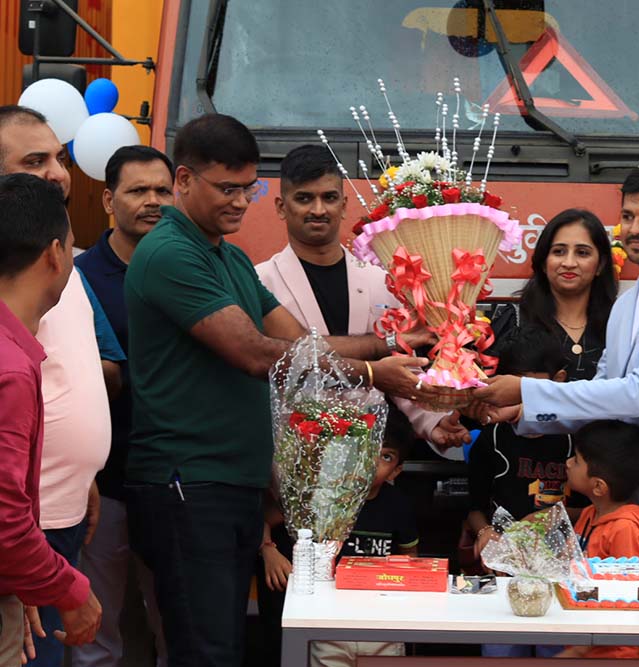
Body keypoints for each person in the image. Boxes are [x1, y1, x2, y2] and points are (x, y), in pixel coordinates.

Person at [124, 113, 440, 667]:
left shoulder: (227, 255)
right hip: (189, 481)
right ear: (183, 181)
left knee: (228, 644)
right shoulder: (171, 252)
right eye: (227, 188)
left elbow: (302, 341)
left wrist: (389, 342)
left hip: (233, 481)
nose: (239, 203)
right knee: (207, 650)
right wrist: (372, 373)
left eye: (248, 189)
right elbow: (255, 353)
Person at [474, 163, 639, 561]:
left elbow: (638, 394)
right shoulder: (627, 303)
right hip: (624, 509)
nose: (636, 228)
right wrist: (519, 413)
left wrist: (525, 389)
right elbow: (602, 397)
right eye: (628, 216)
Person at [255, 144, 469, 449]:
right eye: (304, 198)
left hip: (366, 450)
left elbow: (400, 364)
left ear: (344, 205)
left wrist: (434, 421)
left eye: (329, 198)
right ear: (280, 206)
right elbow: (265, 362)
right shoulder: (261, 281)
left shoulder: (380, 280)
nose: (318, 210)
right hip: (289, 450)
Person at [0, 105, 111, 667]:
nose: (58, 173)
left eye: (60, 158)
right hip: (22, 532)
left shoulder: (65, 267)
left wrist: (80, 473)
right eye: (34, 160)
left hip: (51, 515)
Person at [73, 146, 173, 667]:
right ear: (109, 201)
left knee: (177, 624)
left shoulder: (190, 269)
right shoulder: (77, 277)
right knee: (95, 628)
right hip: (101, 482)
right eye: (138, 191)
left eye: (162, 190)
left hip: (176, 479)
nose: (153, 201)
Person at [258, 405, 419, 667]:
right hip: (325, 621)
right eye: (365, 449)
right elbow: (264, 519)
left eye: (386, 456)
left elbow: (409, 558)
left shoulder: (398, 506)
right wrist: (268, 550)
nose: (371, 462)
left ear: (396, 471)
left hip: (380, 623)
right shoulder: (319, 494)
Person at [464, 328, 573, 660]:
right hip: (503, 566)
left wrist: (551, 517)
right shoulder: (494, 437)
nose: (526, 403)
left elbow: (592, 508)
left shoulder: (575, 437)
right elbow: (473, 505)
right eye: (516, 390)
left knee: (557, 647)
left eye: (534, 390)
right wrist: (484, 532)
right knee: (501, 648)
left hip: (562, 568)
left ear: (560, 380)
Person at [560, 419, 639, 660]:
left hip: (612, 653)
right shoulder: (589, 514)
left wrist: (580, 650)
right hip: (584, 641)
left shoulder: (625, 530)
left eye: (576, 460)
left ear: (599, 486)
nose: (568, 463)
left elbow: (628, 597)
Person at [489, 208, 616, 382]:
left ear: (600, 265)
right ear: (543, 262)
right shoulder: (513, 321)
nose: (569, 263)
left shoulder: (620, 323)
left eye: (582, 253)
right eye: (559, 251)